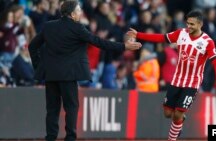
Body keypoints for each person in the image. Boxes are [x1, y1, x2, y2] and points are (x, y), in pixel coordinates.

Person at [28, 0, 142, 141]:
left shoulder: (48, 26)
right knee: (71, 108)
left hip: (51, 75)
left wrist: (39, 67)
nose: (81, 12)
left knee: (52, 109)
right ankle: (70, 138)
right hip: (69, 76)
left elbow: (32, 46)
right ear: (72, 14)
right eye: (79, 10)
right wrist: (124, 46)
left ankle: (50, 138)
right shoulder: (77, 28)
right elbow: (99, 42)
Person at [127, 10, 216, 141]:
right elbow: (161, 38)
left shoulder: (207, 42)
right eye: (187, 23)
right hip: (177, 80)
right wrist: (139, 34)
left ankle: (172, 137)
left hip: (192, 83)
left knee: (177, 114)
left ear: (200, 24)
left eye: (192, 24)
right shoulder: (181, 34)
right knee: (168, 114)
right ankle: (180, 122)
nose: (188, 26)